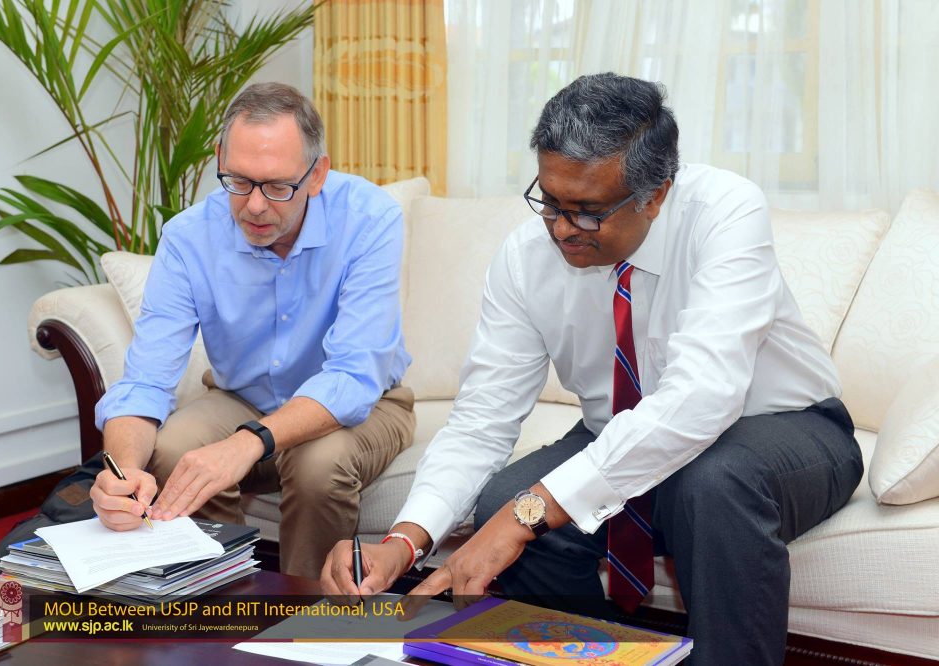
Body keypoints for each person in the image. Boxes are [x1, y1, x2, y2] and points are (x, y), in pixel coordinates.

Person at [320, 73, 863, 665]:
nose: (560, 229)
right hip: (620, 430)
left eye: (586, 212)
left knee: (711, 481)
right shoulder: (525, 258)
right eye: (550, 202)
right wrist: (405, 539)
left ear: (656, 195)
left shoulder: (725, 212)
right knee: (503, 496)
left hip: (782, 430)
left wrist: (527, 515)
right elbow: (481, 420)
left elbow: (701, 399)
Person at [89, 82, 416, 579]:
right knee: (174, 451)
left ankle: (311, 613)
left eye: (278, 186)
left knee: (317, 464)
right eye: (239, 181)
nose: (256, 206)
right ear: (220, 159)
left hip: (364, 405)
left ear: (317, 174)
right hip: (241, 397)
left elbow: (353, 377)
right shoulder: (188, 237)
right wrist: (122, 473)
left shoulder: (369, 219)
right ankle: (222, 598)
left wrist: (245, 444)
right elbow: (144, 382)